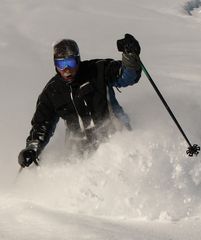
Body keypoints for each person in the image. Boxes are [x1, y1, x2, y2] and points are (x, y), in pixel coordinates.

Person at [18, 34, 142, 168]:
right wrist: (32, 148)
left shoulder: (98, 70)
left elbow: (126, 76)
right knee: (72, 170)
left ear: (78, 60)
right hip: (80, 147)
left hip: (114, 135)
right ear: (55, 64)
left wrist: (130, 56)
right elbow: (42, 125)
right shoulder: (52, 92)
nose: (67, 69)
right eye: (61, 64)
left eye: (70, 62)